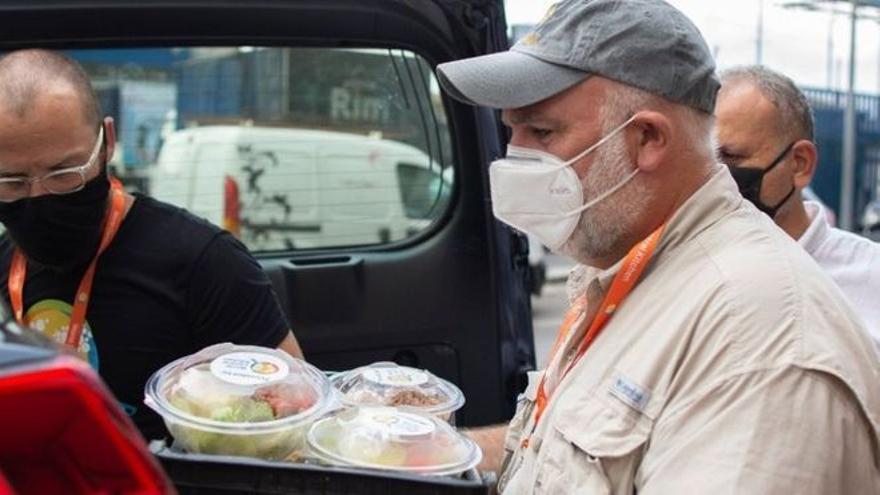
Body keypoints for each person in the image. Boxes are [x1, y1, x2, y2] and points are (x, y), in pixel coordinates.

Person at [436, 0, 880, 493]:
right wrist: (419, 451)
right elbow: (545, 451)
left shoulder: (758, 342)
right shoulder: (623, 270)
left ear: (647, 138)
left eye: (541, 131)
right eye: (510, 130)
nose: (513, 155)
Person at [0, 49, 303, 440]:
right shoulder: (4, 263)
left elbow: (293, 413)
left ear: (107, 142)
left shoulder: (205, 262)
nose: (39, 196)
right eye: (11, 182)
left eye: (64, 174)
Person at [715, 65, 880, 349]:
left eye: (731, 157)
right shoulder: (677, 267)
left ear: (800, 164)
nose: (715, 176)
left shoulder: (870, 279)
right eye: (704, 161)